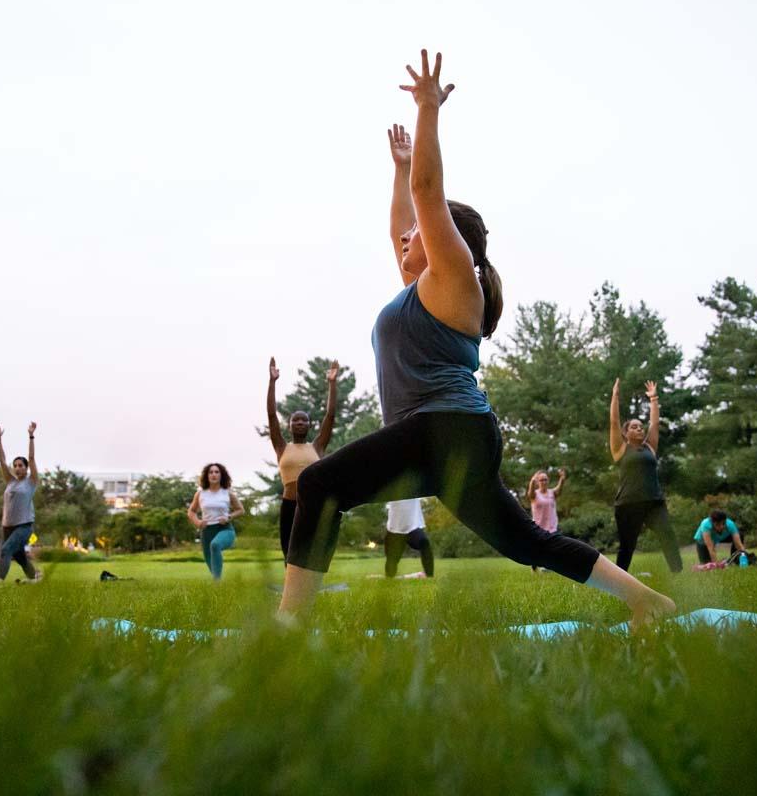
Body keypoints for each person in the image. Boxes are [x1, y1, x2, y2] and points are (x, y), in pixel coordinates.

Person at [278, 50, 675, 628]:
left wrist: (428, 111)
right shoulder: (424, 292)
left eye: (420, 232)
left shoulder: (456, 280)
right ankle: (648, 601)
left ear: (448, 241)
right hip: (443, 440)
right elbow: (403, 222)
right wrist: (399, 169)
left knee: (319, 484)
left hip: (445, 428)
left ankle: (289, 624)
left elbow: (428, 193)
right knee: (525, 541)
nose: (407, 238)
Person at [608, 378, 683, 573]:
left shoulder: (650, 447)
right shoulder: (620, 448)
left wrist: (654, 399)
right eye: (634, 427)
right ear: (625, 433)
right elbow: (614, 422)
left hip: (654, 502)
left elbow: (655, 423)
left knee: (667, 535)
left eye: (641, 426)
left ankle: (677, 572)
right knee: (627, 546)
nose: (639, 428)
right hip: (628, 504)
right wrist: (615, 396)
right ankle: (619, 579)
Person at [267, 357, 339, 556]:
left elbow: (330, 416)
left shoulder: (317, 446)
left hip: (312, 506)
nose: (299, 422)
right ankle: (290, 578)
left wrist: (332, 383)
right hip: (290, 505)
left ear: (309, 425)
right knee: (289, 552)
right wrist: (272, 381)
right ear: (289, 425)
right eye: (295, 420)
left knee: (311, 552)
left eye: (304, 420)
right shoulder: (281, 447)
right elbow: (272, 415)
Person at [0, 422, 40, 582]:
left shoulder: (31, 482)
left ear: (26, 468)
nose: (17, 468)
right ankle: (34, 578)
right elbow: (2, 460)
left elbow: (32, 458)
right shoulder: (10, 481)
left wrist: (31, 436)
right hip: (7, 526)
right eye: (15, 466)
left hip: (24, 526)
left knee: (6, 550)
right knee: (19, 556)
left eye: (21, 465)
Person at [187, 463, 245, 580]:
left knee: (215, 544)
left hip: (225, 529)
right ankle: (218, 585)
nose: (214, 474)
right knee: (212, 566)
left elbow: (241, 510)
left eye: (217, 472)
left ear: (221, 475)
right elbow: (191, 511)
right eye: (211, 472)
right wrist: (197, 522)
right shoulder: (200, 493)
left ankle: (217, 584)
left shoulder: (227, 493)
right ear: (207, 475)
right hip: (206, 532)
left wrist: (229, 517)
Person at [527, 467, 566, 572]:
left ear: (548, 481)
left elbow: (559, 489)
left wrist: (562, 478)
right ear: (538, 482)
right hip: (538, 525)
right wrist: (532, 480)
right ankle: (534, 568)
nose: (544, 482)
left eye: (545, 479)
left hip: (552, 526)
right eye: (541, 480)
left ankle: (548, 566)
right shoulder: (534, 494)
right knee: (536, 548)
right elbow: (530, 492)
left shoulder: (552, 493)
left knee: (553, 546)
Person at [384, 499, 433, 578]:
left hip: (413, 527)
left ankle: (430, 576)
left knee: (424, 542)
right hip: (395, 530)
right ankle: (390, 577)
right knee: (391, 566)